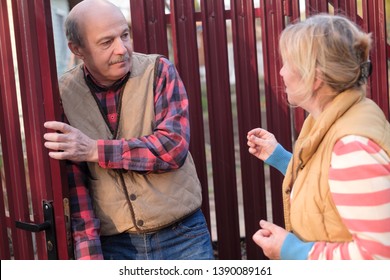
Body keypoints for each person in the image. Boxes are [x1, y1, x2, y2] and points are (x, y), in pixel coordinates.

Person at [43, 0, 213, 260]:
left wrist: (93, 150)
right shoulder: (64, 93)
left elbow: (172, 147)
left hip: (182, 236)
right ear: (77, 49)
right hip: (115, 245)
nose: (122, 49)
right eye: (106, 42)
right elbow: (75, 185)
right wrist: (89, 255)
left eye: (124, 35)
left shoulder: (159, 71)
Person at [247, 14, 390, 260]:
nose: (281, 72)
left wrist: (292, 251)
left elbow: (379, 257)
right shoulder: (337, 116)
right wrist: (280, 158)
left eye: (288, 63)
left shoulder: (352, 147)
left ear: (315, 78)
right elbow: (330, 183)